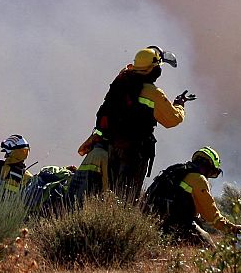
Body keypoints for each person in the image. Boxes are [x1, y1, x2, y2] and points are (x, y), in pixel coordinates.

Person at [80, 45, 192, 201]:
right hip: (135, 151)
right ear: (154, 69)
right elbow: (172, 119)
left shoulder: (121, 83)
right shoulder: (153, 92)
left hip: (113, 146)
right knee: (127, 195)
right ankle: (118, 221)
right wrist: (179, 104)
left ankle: (106, 216)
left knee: (109, 190)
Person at [143, 146, 241, 244]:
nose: (209, 177)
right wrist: (231, 228)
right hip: (175, 225)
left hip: (151, 222)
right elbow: (211, 216)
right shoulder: (198, 179)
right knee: (208, 249)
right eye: (212, 172)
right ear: (209, 167)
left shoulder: (176, 171)